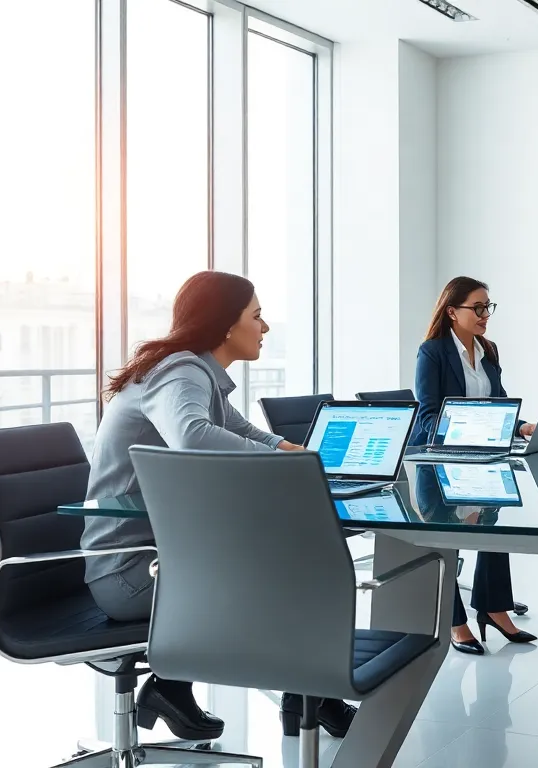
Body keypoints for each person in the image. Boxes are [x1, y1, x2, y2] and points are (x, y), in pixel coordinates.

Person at [81, 271, 357, 742]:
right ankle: (309, 697)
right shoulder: (180, 371)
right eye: (257, 316)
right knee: (287, 582)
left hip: (165, 560)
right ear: (227, 325)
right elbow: (192, 436)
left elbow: (241, 428)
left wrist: (293, 451)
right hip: (129, 573)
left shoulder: (195, 373)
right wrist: (279, 461)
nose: (265, 328)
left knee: (290, 565)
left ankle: (291, 695)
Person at [413, 276, 538, 655]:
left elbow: (497, 405)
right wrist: (472, 427)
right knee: (446, 545)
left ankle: (495, 607)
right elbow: (428, 419)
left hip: (482, 460)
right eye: (477, 308)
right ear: (452, 311)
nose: (484, 315)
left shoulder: (488, 350)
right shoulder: (432, 352)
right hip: (438, 466)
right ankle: (455, 622)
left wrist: (524, 426)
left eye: (487, 307)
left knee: (496, 528)